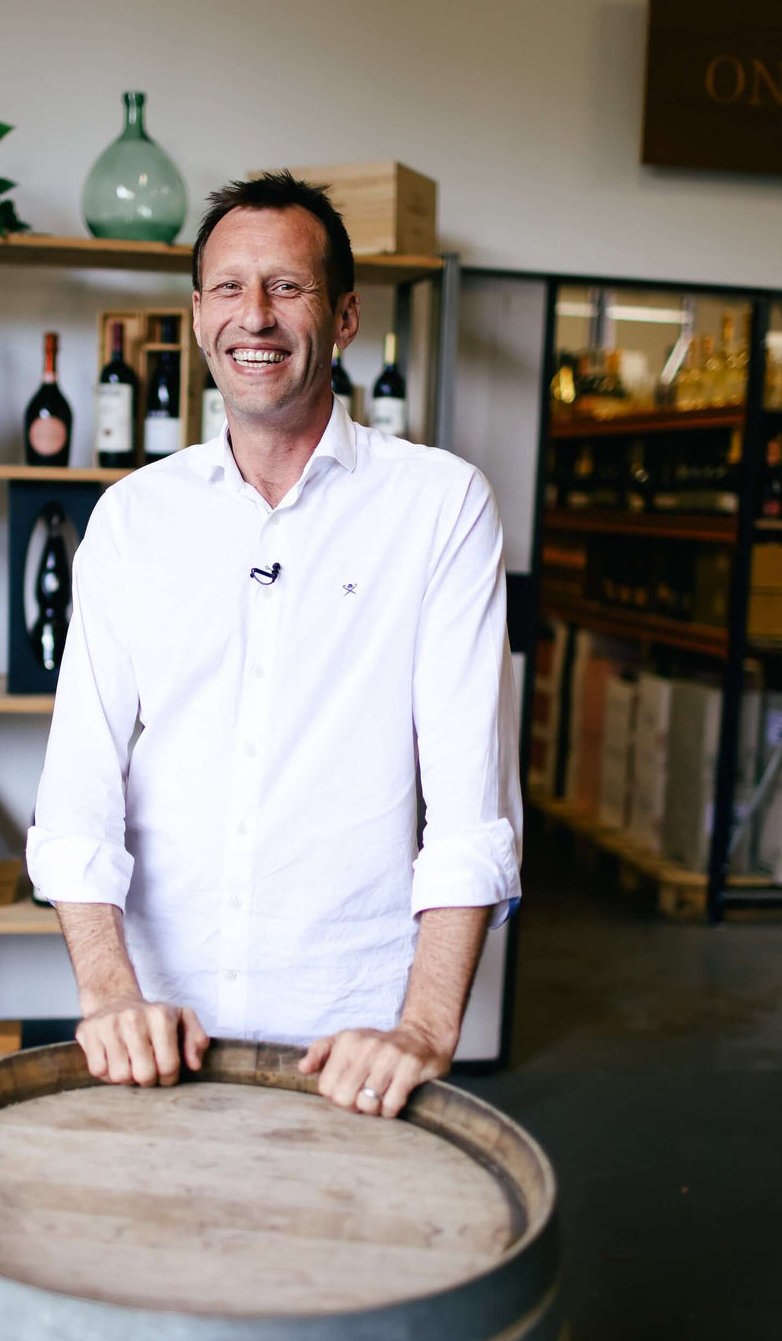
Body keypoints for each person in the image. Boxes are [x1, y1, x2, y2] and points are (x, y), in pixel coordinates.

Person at [27, 173, 521, 1118]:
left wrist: (423, 1025)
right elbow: (78, 791)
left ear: (342, 318)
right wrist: (110, 995)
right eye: (228, 289)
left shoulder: (440, 506)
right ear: (200, 316)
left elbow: (471, 805)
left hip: (351, 1041)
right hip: (159, 1029)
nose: (254, 316)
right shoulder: (133, 518)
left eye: (286, 288)